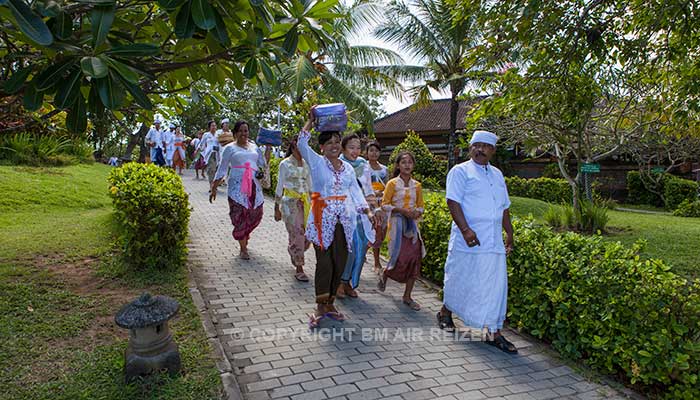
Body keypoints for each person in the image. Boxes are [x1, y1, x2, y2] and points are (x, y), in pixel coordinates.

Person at [437, 130, 517, 354]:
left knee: (494, 285)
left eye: (485, 146)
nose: (480, 149)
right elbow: (453, 201)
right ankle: (445, 312)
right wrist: (465, 229)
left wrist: (509, 233)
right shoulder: (460, 171)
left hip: (492, 241)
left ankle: (493, 332)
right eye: (476, 145)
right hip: (468, 239)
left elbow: (504, 207)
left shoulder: (498, 175)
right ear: (470, 147)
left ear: (493, 150)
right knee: (461, 277)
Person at [297, 108, 374, 328]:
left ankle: (331, 302)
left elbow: (355, 192)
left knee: (340, 260)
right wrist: (310, 121)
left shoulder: (348, 169)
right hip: (322, 218)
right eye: (329, 142)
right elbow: (302, 144)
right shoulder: (317, 162)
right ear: (322, 146)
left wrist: (367, 211)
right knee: (324, 263)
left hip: (345, 220)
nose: (334, 145)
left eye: (337, 141)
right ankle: (320, 305)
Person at [209, 121, 271, 260]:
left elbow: (263, 164)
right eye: (241, 131)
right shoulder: (229, 148)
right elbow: (222, 168)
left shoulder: (254, 147)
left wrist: (267, 149)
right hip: (237, 187)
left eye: (246, 131)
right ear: (235, 133)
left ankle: (244, 236)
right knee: (239, 215)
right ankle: (243, 248)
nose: (244, 133)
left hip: (254, 186)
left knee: (256, 214)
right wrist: (214, 187)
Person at [376, 151, 426, 311]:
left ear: (413, 166)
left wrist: (416, 212)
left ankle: (407, 296)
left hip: (412, 227)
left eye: (410, 162)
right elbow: (384, 204)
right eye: (403, 162)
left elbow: (421, 206)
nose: (407, 165)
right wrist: (401, 211)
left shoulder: (417, 185)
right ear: (398, 165)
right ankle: (386, 273)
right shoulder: (392, 184)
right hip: (397, 225)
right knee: (399, 257)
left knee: (415, 257)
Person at [336, 134, 377, 298]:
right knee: (347, 248)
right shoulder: (337, 164)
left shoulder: (363, 164)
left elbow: (368, 188)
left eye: (358, 147)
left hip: (361, 213)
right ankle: (339, 282)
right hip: (344, 212)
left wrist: (373, 208)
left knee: (360, 249)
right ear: (343, 148)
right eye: (351, 147)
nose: (355, 151)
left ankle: (349, 283)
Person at [274, 135, 312, 282]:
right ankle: (299, 267)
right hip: (290, 204)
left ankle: (294, 250)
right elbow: (279, 186)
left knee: (307, 236)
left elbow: (311, 185)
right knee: (297, 233)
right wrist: (276, 208)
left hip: (306, 202)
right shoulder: (285, 164)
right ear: (293, 146)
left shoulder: (307, 164)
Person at [366, 141, 388, 273]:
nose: (374, 153)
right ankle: (376, 261)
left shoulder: (384, 169)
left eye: (376, 150)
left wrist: (383, 194)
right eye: (371, 150)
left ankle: (371, 255)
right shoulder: (363, 168)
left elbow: (388, 186)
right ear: (366, 153)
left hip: (381, 203)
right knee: (372, 230)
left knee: (381, 232)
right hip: (368, 202)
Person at [199, 120, 221, 187]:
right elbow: (202, 144)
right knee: (211, 169)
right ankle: (211, 185)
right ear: (209, 127)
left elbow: (222, 143)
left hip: (217, 154)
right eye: (212, 126)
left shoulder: (219, 134)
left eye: (215, 126)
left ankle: (215, 184)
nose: (214, 127)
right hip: (210, 154)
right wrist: (202, 152)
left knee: (216, 169)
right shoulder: (206, 135)